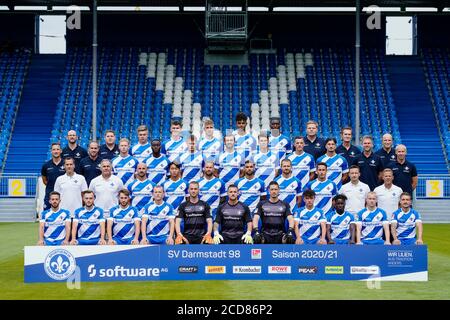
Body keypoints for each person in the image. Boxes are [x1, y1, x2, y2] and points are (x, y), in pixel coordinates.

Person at [41, 142, 65, 210]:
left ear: (61, 151)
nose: (56, 151)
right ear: (51, 151)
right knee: (47, 216)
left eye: (57, 149)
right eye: (54, 149)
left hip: (63, 195)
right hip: (49, 195)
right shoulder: (46, 165)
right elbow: (45, 181)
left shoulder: (66, 164)